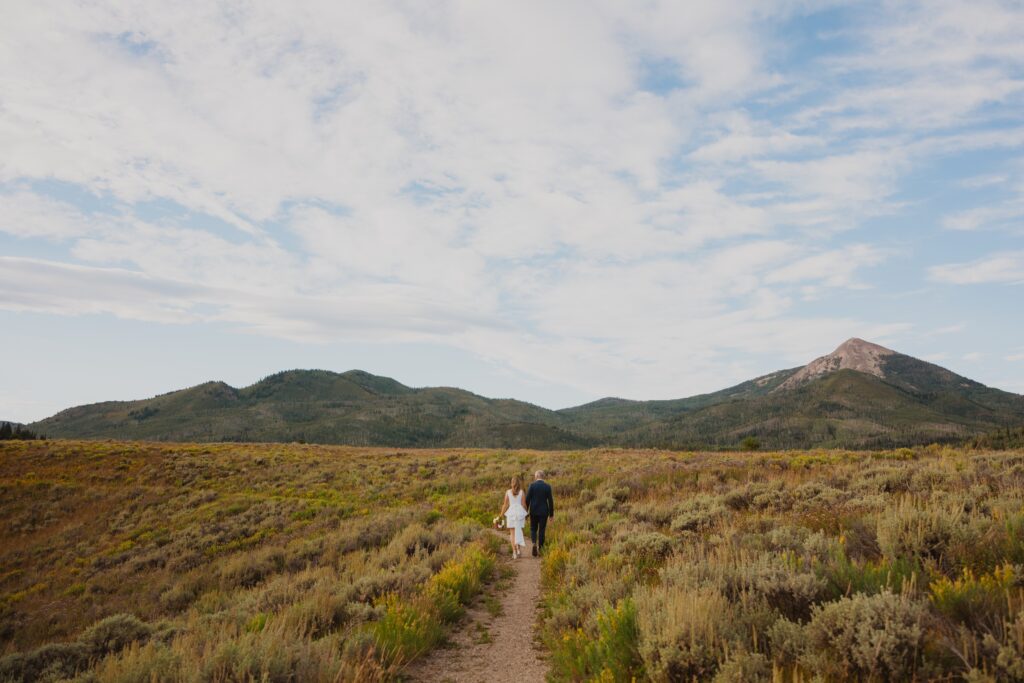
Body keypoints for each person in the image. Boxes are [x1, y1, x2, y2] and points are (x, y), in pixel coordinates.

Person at [524, 469, 554, 556]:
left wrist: (525, 513)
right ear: (543, 477)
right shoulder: (547, 486)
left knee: (533, 529)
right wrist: (551, 515)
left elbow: (527, 500)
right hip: (544, 512)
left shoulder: (532, 486)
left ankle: (534, 543)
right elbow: (550, 501)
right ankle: (541, 549)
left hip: (533, 511)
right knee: (542, 530)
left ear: (536, 476)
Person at [499, 476, 527, 559]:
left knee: (512, 534)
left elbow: (505, 504)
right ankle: (518, 549)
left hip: (511, 513)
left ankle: (514, 552)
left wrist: (501, 515)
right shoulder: (522, 492)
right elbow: (524, 504)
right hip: (520, 513)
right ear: (519, 483)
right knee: (519, 531)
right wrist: (526, 513)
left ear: (512, 483)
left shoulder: (508, 492)